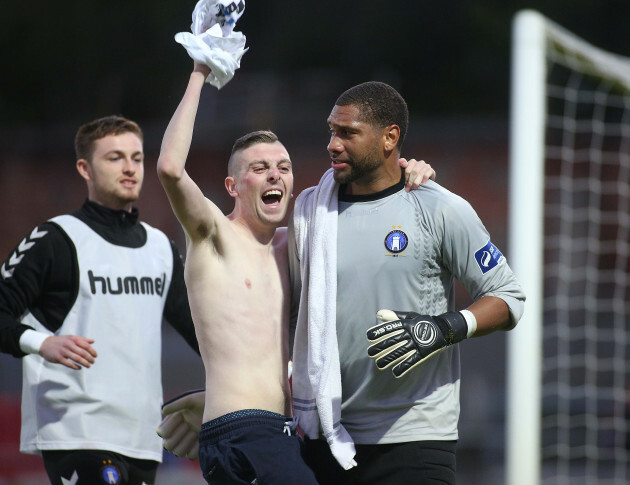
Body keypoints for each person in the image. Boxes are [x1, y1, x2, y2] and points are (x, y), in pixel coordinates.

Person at [155, 63, 436, 484]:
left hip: (284, 430)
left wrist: (408, 170)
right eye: (259, 167)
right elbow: (171, 169)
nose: (274, 174)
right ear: (233, 186)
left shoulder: (299, 244)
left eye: (283, 167)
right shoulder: (214, 236)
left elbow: (369, 209)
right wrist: (198, 74)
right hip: (241, 432)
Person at [288, 81, 526, 484]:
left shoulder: (440, 208)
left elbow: (508, 297)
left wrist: (444, 328)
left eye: (347, 133)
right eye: (331, 130)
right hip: (327, 435)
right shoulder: (310, 213)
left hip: (416, 438)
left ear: (389, 138)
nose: (332, 143)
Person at [0, 115, 199, 485]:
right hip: (77, 432)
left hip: (144, 437)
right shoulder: (55, 238)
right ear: (84, 168)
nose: (129, 168)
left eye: (137, 158)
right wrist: (41, 342)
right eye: (114, 158)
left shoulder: (161, 248)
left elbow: (200, 329)